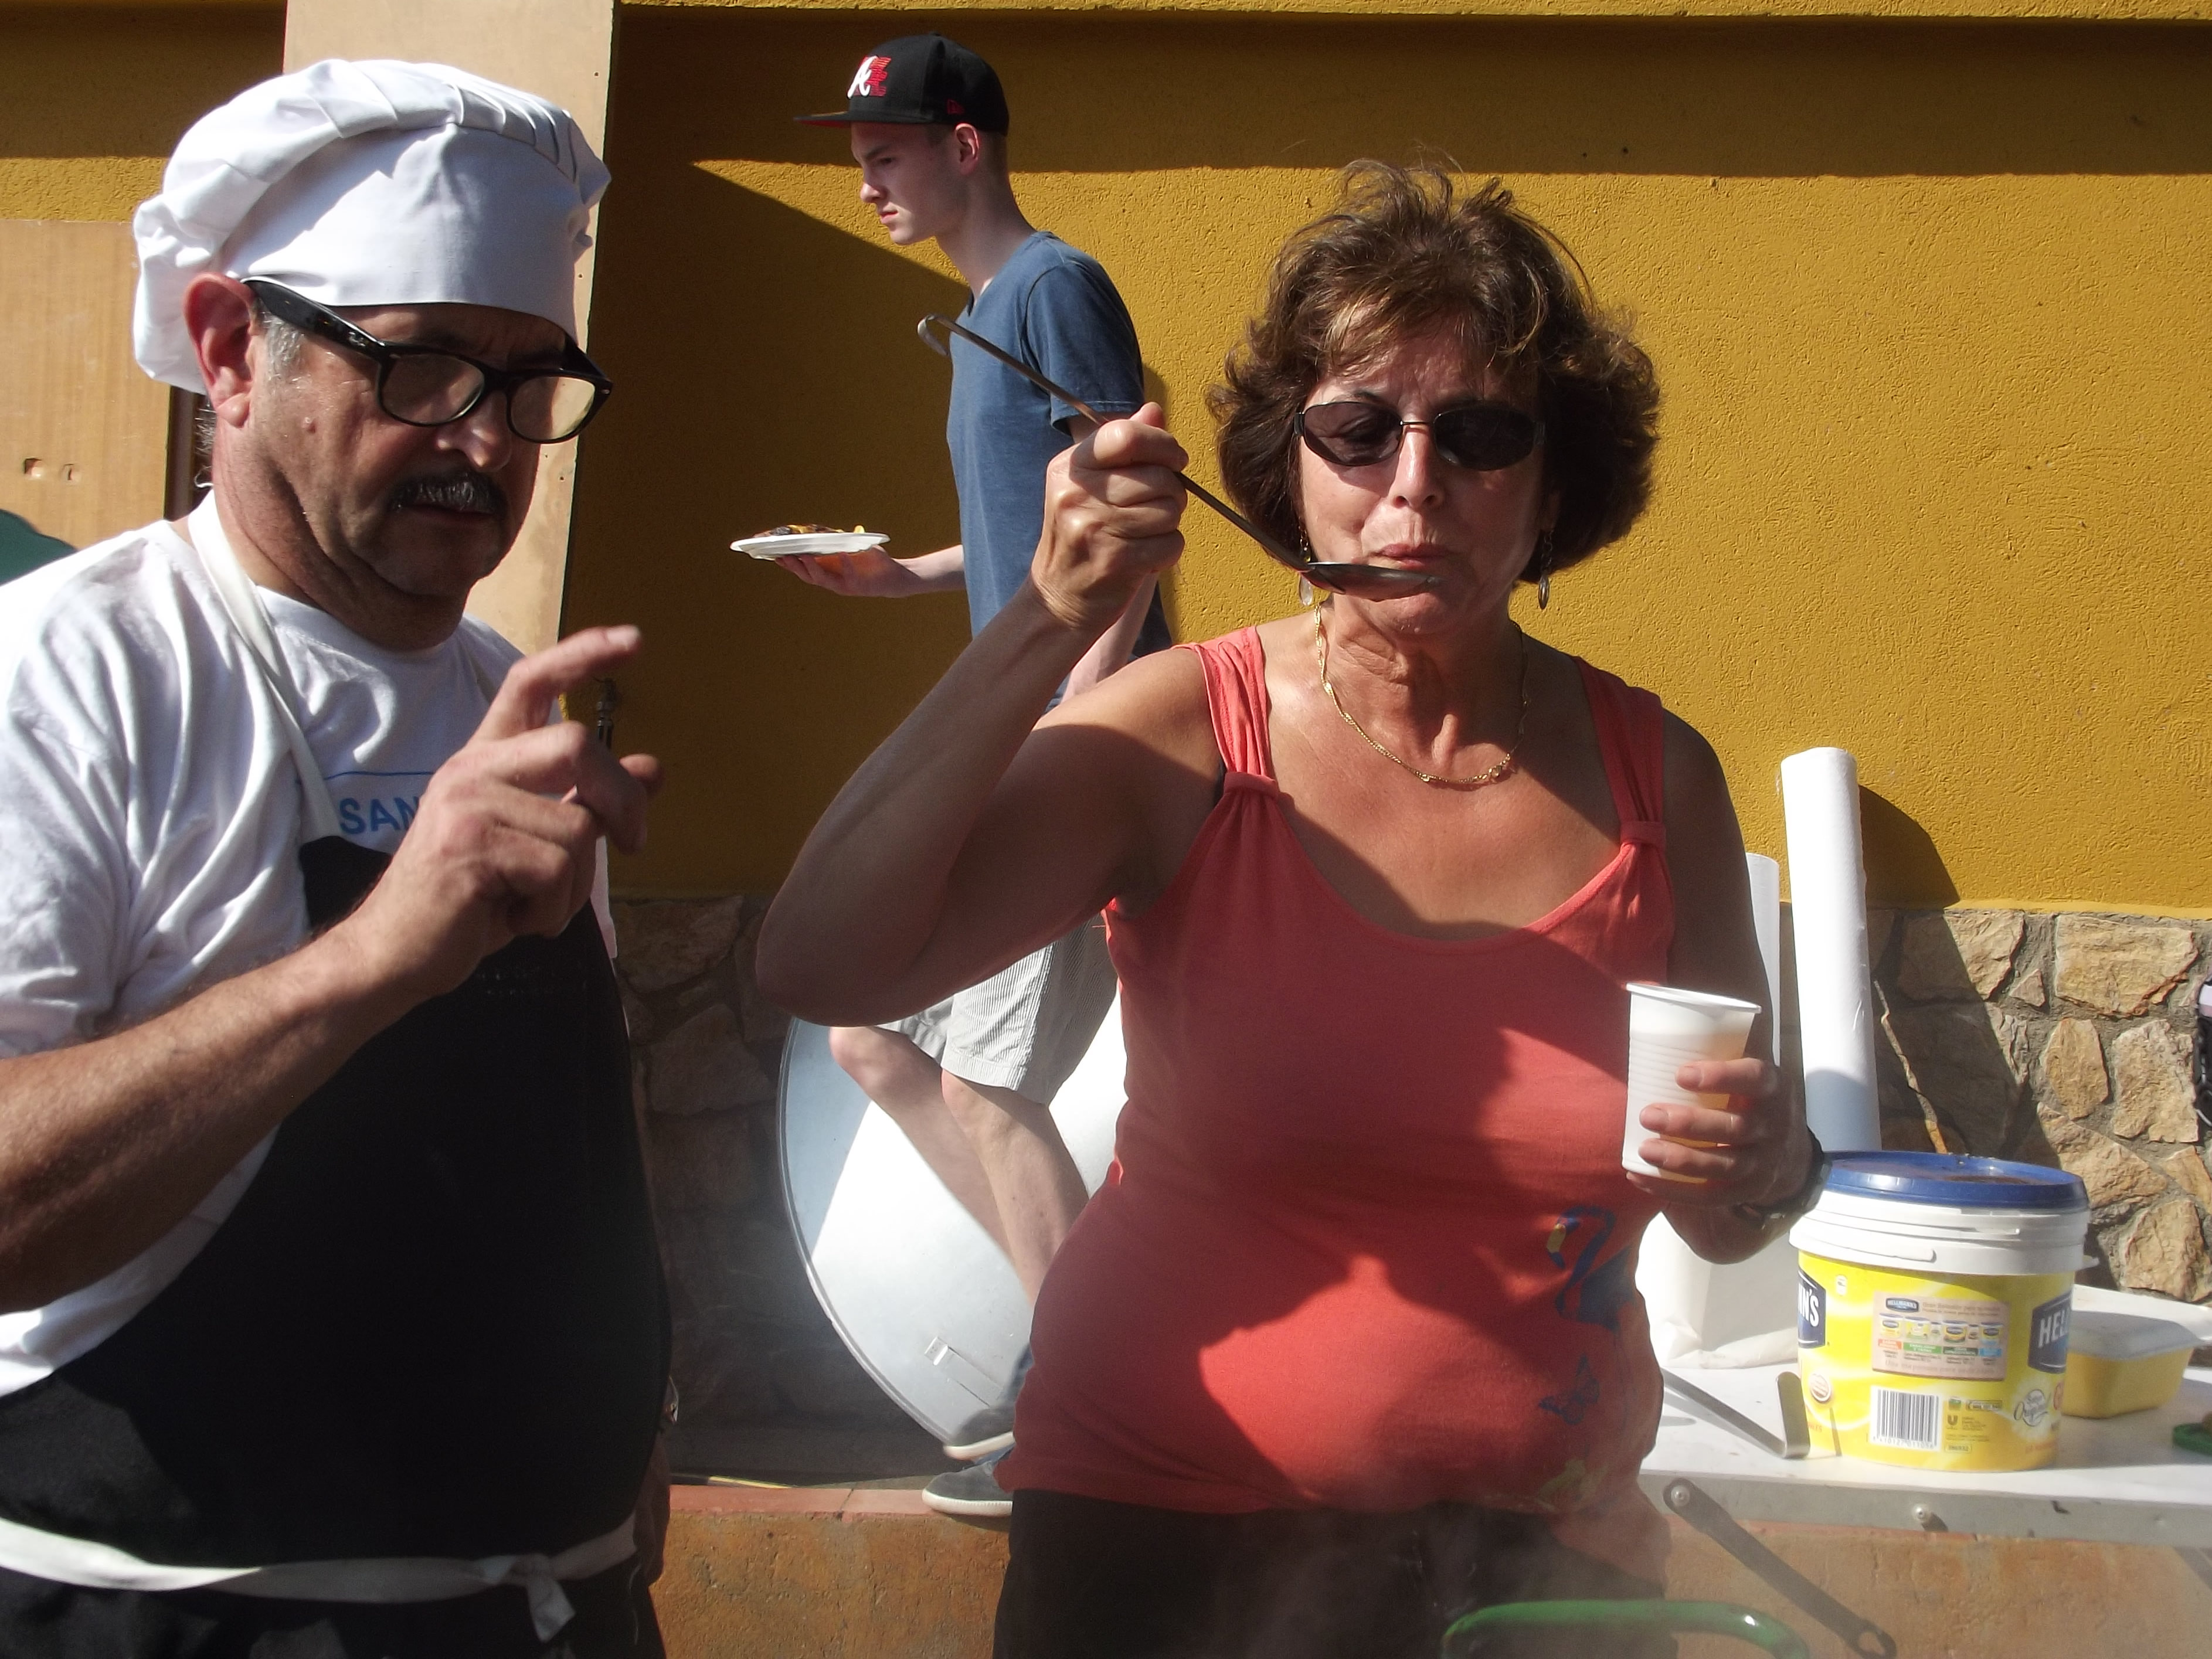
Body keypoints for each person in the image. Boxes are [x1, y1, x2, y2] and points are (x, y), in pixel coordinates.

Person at [759, 164, 1824, 1658]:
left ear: (1554, 487)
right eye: (1359, 429)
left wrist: (1771, 1164)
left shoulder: (1665, 780)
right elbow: (821, 956)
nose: (1413, 483)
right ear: (1291, 468)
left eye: (1482, 433)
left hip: (1540, 1570)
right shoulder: (1185, 738)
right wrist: (1046, 617)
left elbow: (1720, 1204)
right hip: (1162, 1550)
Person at [0, 61, 670, 1657]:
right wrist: (373, 955)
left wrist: (640, 1412)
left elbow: (573, 1133)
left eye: (530, 380)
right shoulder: (71, 673)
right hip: (171, 1618)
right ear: (232, 348)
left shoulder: (506, 692)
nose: (485, 442)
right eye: (424, 365)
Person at [784, 32, 1163, 1515]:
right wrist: (906, 575)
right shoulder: (985, 316)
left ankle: (1087, 1401)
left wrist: (1086, 698)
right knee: (872, 1042)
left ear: (964, 146)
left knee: (989, 1085)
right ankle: (1089, 1346)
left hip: (1071, 731)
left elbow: (1130, 502)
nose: (865, 182)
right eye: (858, 158)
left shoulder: (1054, 288)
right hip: (1029, 723)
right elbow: (1035, 522)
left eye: (884, 154)